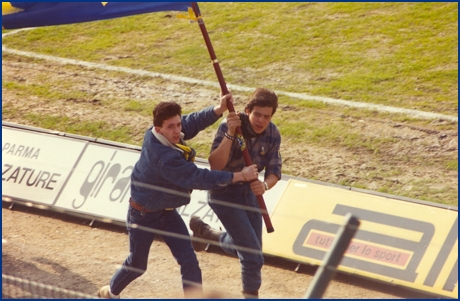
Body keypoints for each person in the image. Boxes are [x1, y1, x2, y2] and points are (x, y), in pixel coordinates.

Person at [97, 93, 259, 299]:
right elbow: (198, 177)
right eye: (170, 127)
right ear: (158, 129)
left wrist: (218, 109)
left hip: (167, 214)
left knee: (189, 261)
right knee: (137, 265)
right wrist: (239, 176)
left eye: (177, 125)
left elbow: (191, 122)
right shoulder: (165, 158)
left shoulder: (158, 133)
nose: (177, 131)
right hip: (143, 215)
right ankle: (110, 293)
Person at [189, 88, 282, 299]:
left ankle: (209, 234)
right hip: (224, 194)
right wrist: (231, 134)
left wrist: (265, 186)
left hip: (250, 196)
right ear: (247, 111)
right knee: (253, 257)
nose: (261, 120)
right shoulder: (230, 126)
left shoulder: (273, 133)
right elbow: (215, 166)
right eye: (257, 114)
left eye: (267, 116)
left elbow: (275, 171)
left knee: (250, 250)